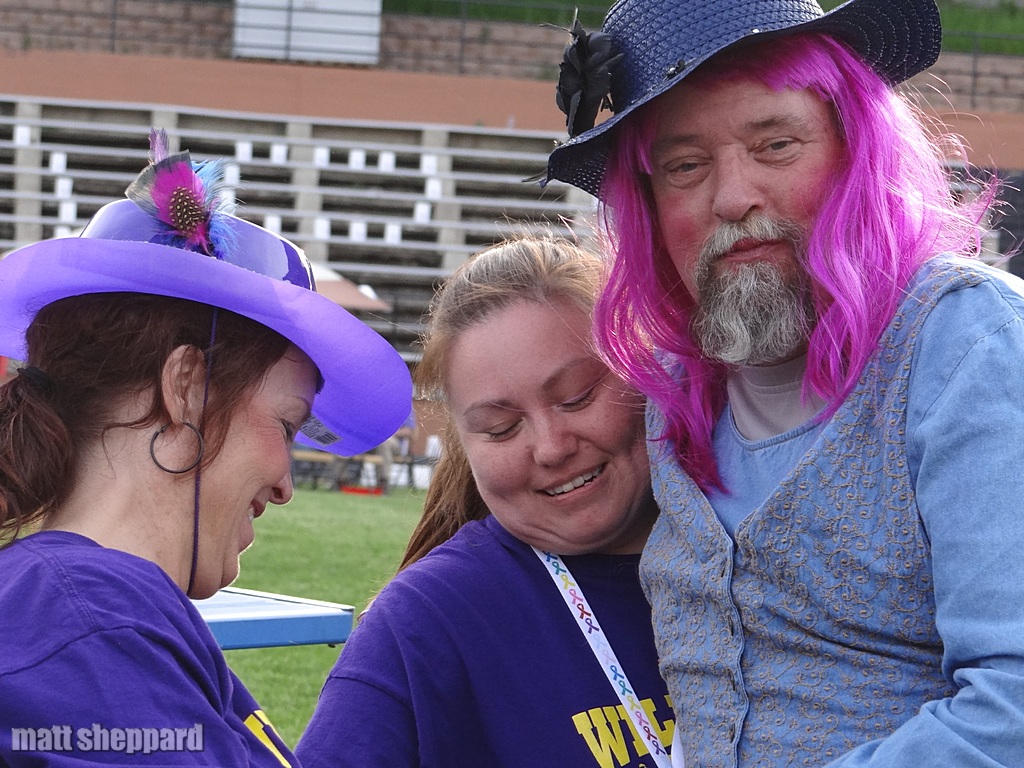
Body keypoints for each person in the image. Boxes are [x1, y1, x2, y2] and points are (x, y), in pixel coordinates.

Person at [544, 0, 1024, 766]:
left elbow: (1014, 708)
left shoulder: (967, 345)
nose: (732, 197)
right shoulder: (673, 388)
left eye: (775, 145)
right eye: (684, 166)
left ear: (853, 151)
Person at [0, 130, 412, 766]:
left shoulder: (97, 615)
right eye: (285, 423)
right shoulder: (94, 628)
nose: (285, 483)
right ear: (185, 388)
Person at [296, 237, 675, 768]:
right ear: (463, 443)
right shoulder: (424, 625)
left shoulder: (763, 554)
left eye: (576, 398)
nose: (551, 447)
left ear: (646, 367)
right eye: (501, 428)